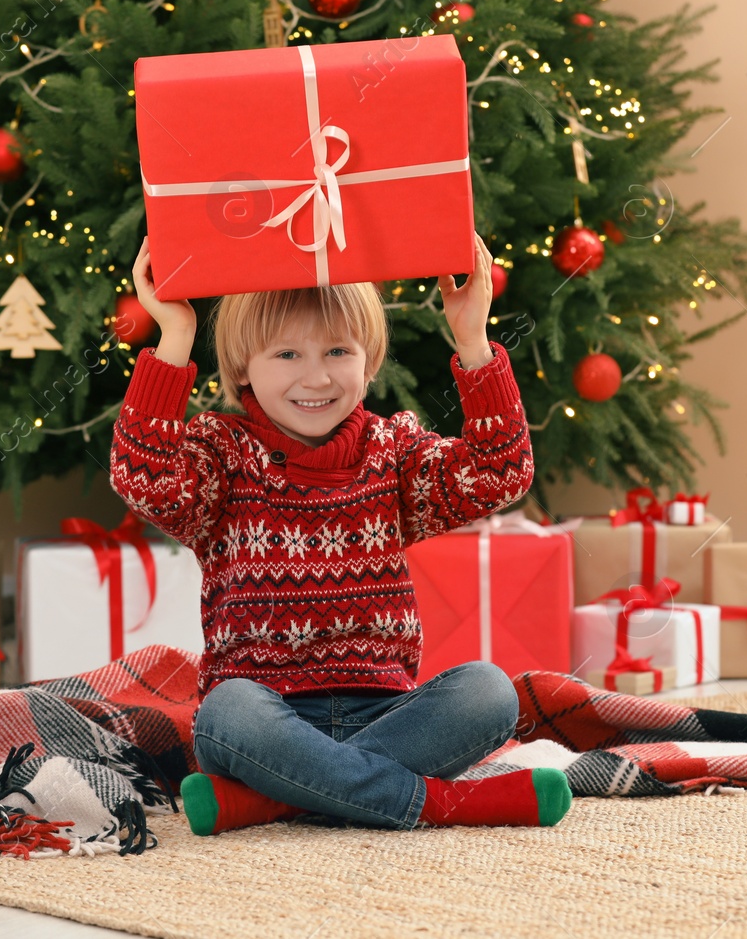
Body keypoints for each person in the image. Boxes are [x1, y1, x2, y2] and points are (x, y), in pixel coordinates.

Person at [109, 232, 571, 836]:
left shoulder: (394, 452)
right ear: (242, 368)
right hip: (264, 718)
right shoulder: (221, 456)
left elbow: (498, 476)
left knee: (489, 692)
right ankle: (438, 804)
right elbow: (141, 477)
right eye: (286, 356)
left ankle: (275, 800)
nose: (317, 378)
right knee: (227, 710)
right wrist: (172, 341)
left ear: (369, 360)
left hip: (387, 711)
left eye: (337, 352)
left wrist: (473, 341)